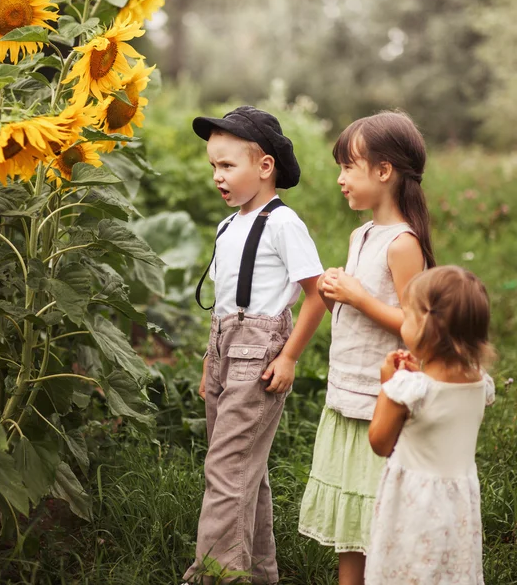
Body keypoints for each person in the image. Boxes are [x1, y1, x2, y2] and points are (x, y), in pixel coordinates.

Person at [183, 105, 326, 585]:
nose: (217, 177)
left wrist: (289, 356)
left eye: (227, 166)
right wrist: (210, 361)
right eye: (213, 167)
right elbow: (224, 304)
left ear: (265, 167)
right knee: (245, 471)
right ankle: (258, 573)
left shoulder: (283, 224)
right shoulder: (229, 226)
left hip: (260, 352)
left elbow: (317, 295)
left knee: (226, 470)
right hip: (225, 347)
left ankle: (215, 575)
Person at [298, 110, 435, 585]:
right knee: (352, 525)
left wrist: (357, 296)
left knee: (377, 514)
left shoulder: (403, 243)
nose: (340, 179)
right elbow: (365, 298)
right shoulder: (363, 234)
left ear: (384, 171)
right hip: (349, 392)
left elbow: (416, 327)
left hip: (381, 402)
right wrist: (341, 287)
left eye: (348, 167)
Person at [366, 266, 495, 584]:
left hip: (414, 505)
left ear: (428, 327)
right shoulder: (482, 384)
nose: (403, 323)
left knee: (409, 570)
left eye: (407, 316)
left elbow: (380, 442)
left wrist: (389, 386)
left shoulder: (410, 390)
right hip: (458, 504)